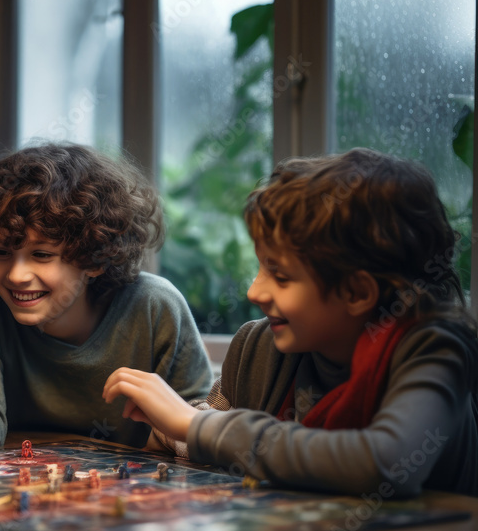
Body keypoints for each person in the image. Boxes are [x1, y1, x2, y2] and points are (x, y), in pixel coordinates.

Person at [103, 148, 478, 497]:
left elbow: (387, 464)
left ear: (357, 292)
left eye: (281, 276)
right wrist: (169, 428)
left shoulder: (432, 350)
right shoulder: (257, 345)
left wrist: (193, 425)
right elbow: (208, 434)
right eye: (261, 267)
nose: (255, 292)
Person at [0, 143, 213, 448]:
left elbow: (201, 421)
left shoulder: (155, 308)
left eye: (42, 254)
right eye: (2, 251)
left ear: (94, 259)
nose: (16, 275)